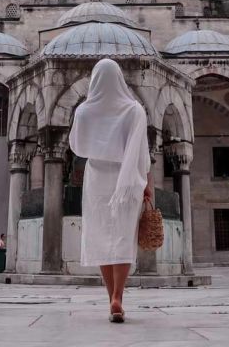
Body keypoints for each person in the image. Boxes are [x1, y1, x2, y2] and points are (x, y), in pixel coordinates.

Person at [69, 58, 152, 323]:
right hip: (126, 181)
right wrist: (146, 185)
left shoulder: (84, 111)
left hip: (97, 180)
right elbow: (141, 153)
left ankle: (110, 299)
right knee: (123, 237)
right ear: (119, 78)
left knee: (101, 237)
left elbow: (77, 146)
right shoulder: (134, 110)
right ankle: (119, 295)